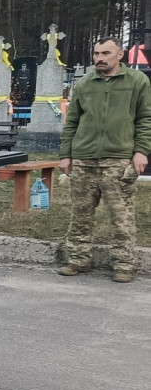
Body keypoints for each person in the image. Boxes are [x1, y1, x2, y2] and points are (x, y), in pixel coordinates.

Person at [57, 38, 151, 283]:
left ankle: (123, 263)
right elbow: (73, 122)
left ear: (120, 54)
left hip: (118, 160)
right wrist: (66, 154)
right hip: (84, 158)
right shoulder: (86, 83)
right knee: (81, 214)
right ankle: (78, 259)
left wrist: (141, 151)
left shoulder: (137, 81)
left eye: (106, 53)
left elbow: (145, 118)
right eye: (96, 53)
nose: (100, 57)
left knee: (121, 216)